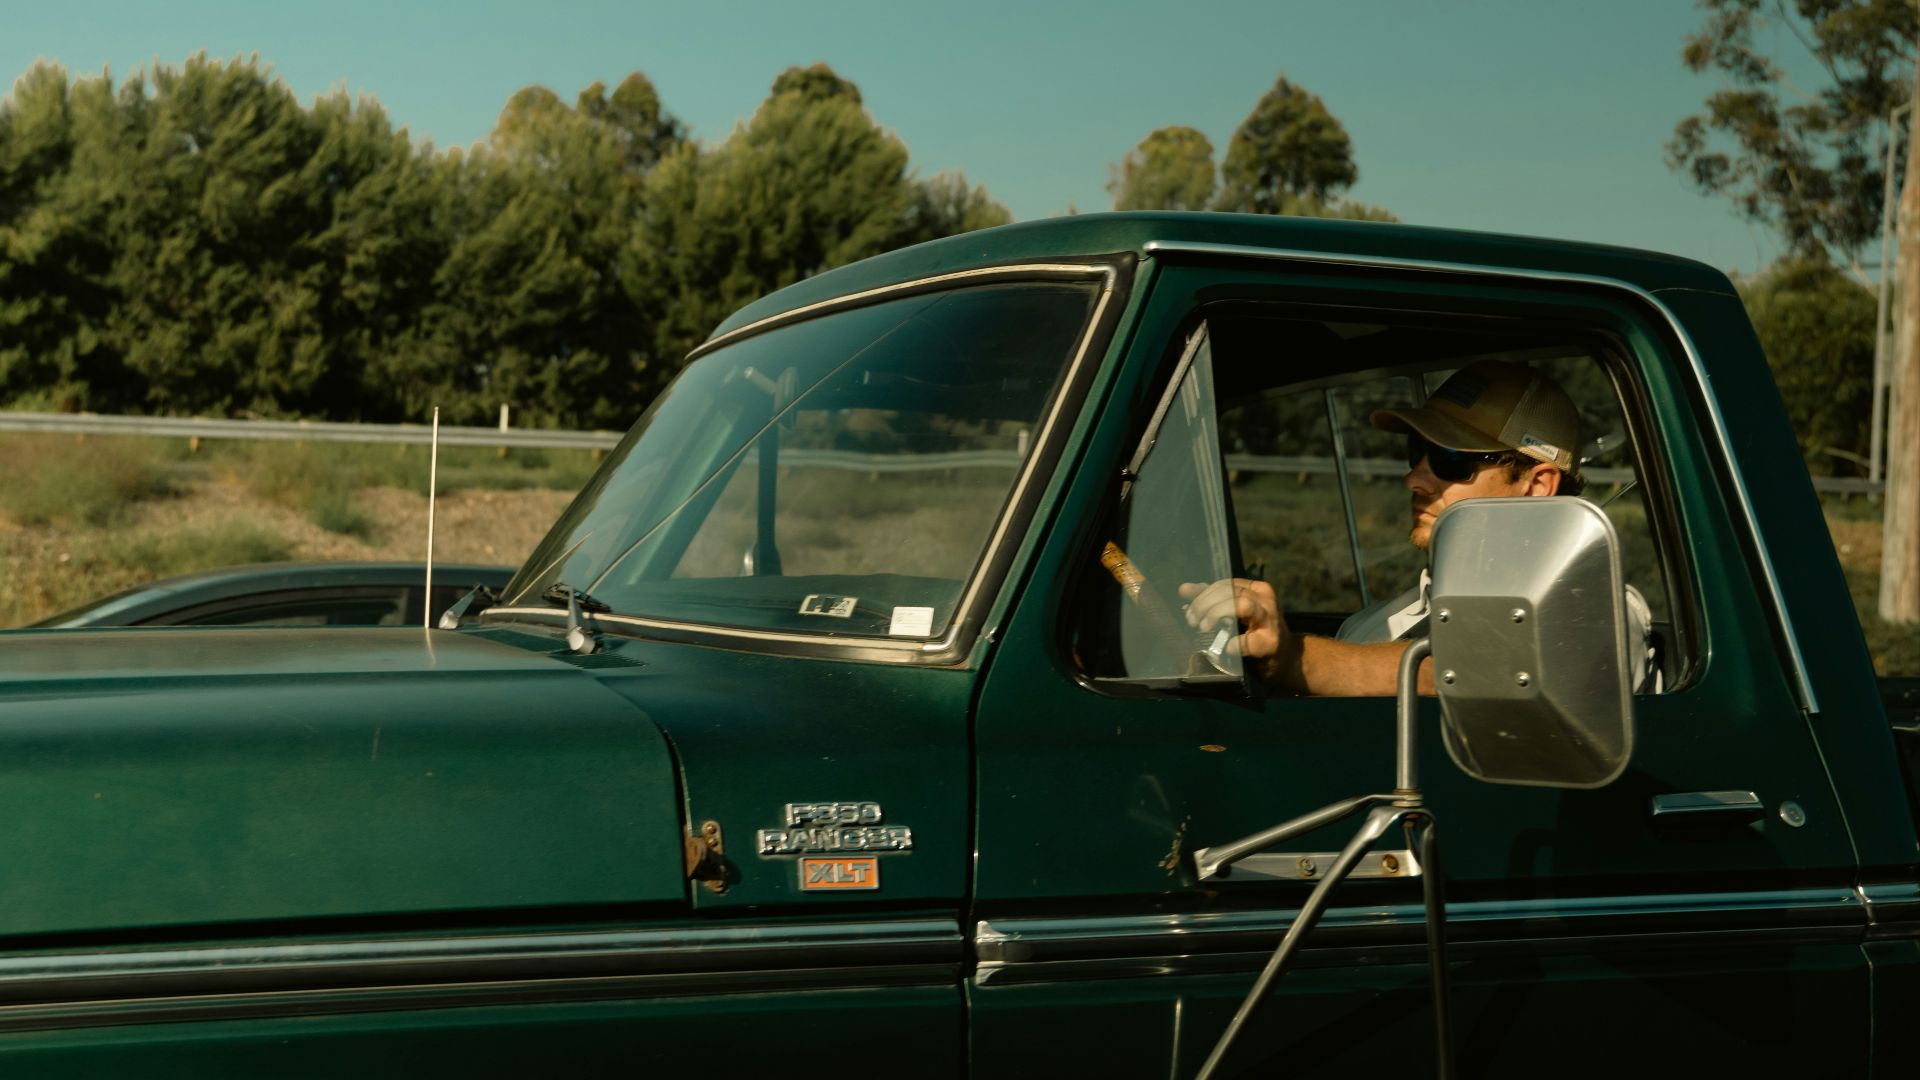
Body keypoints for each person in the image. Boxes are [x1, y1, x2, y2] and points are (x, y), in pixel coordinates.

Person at [1179, 359, 1655, 696]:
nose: (1414, 478)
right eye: (1415, 452)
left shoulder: (1601, 613)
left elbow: (1480, 672)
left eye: (1450, 460)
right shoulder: (1370, 626)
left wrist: (1292, 659)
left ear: (1536, 486)